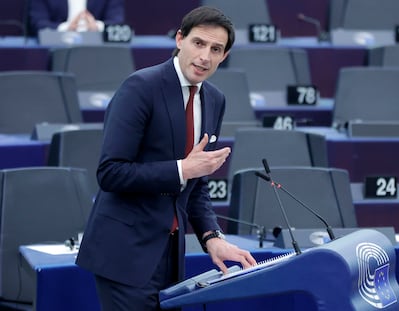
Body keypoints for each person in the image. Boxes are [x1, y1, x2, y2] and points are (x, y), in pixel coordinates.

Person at [76, 5, 257, 311]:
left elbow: (195, 183)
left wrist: (212, 237)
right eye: (198, 43)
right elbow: (110, 173)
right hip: (125, 254)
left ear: (224, 56)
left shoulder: (214, 100)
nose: (204, 57)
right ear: (179, 40)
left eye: (215, 49)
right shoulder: (140, 88)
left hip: (171, 256)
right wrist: (181, 169)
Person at [28, 0, 125, 36]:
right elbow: (37, 23)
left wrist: (97, 27)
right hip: (55, 48)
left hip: (99, 50)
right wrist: (66, 28)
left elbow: (118, 22)